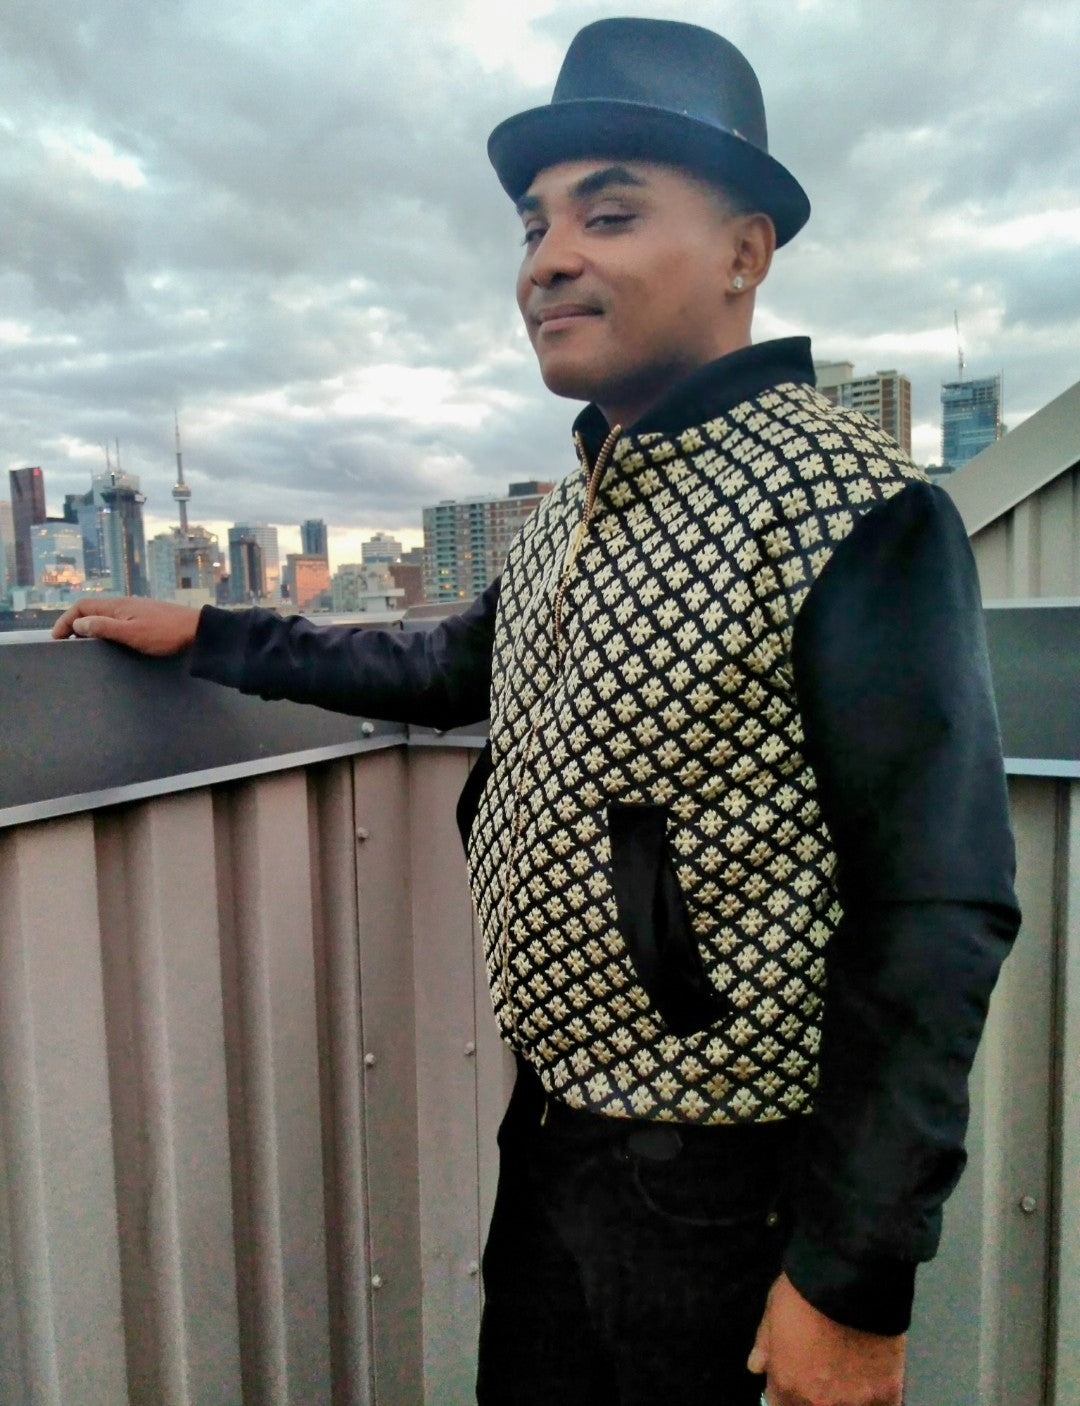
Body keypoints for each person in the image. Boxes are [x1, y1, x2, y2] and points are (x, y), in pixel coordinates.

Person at [54, 18, 1020, 1406]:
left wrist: (851, 1277)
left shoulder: (856, 507)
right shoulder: (578, 503)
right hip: (557, 1132)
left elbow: (939, 910)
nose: (547, 258)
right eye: (533, 224)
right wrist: (208, 628)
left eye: (608, 211)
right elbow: (450, 666)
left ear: (746, 251)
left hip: (729, 1186)